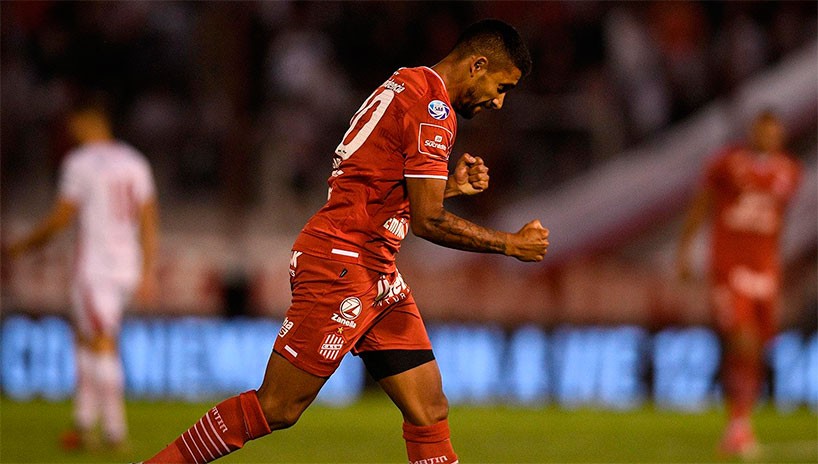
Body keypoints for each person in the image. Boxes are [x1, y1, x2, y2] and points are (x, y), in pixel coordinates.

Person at [143, 19, 547, 464]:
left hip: (374, 268)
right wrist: (509, 244)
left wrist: (445, 186)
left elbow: (372, 181)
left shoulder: (408, 82)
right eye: (502, 87)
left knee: (428, 408)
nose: (499, 101)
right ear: (478, 65)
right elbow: (428, 222)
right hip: (343, 262)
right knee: (278, 406)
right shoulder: (433, 110)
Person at [5, 102, 159, 451]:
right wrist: (148, 270)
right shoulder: (135, 161)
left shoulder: (81, 162)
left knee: (101, 341)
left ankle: (115, 431)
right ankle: (84, 424)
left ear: (86, 122)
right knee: (87, 338)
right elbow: (149, 219)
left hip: (97, 268)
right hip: (128, 265)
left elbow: (61, 217)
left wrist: (22, 246)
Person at [677, 110, 802, 458]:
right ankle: (737, 425)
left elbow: (779, 220)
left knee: (758, 346)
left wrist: (777, 262)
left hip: (765, 271)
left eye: (773, 132)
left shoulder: (790, 172)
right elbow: (701, 205)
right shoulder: (727, 164)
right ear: (752, 132)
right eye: (762, 131)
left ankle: (741, 421)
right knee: (742, 339)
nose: (767, 137)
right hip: (730, 268)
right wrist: (685, 251)